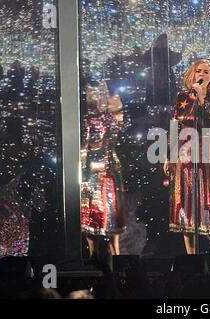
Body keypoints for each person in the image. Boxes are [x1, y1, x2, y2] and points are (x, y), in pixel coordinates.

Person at [163, 59, 210, 270]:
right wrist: (169, 155)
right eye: (198, 71)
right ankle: (192, 262)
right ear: (192, 75)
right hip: (185, 159)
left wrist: (201, 99)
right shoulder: (182, 98)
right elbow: (175, 127)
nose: (201, 75)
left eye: (206, 72)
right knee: (186, 207)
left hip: (209, 161)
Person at [81, 79, 127, 257]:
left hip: (107, 171)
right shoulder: (85, 119)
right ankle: (93, 256)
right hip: (88, 171)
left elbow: (114, 129)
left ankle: (116, 257)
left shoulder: (112, 119)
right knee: (89, 215)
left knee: (110, 216)